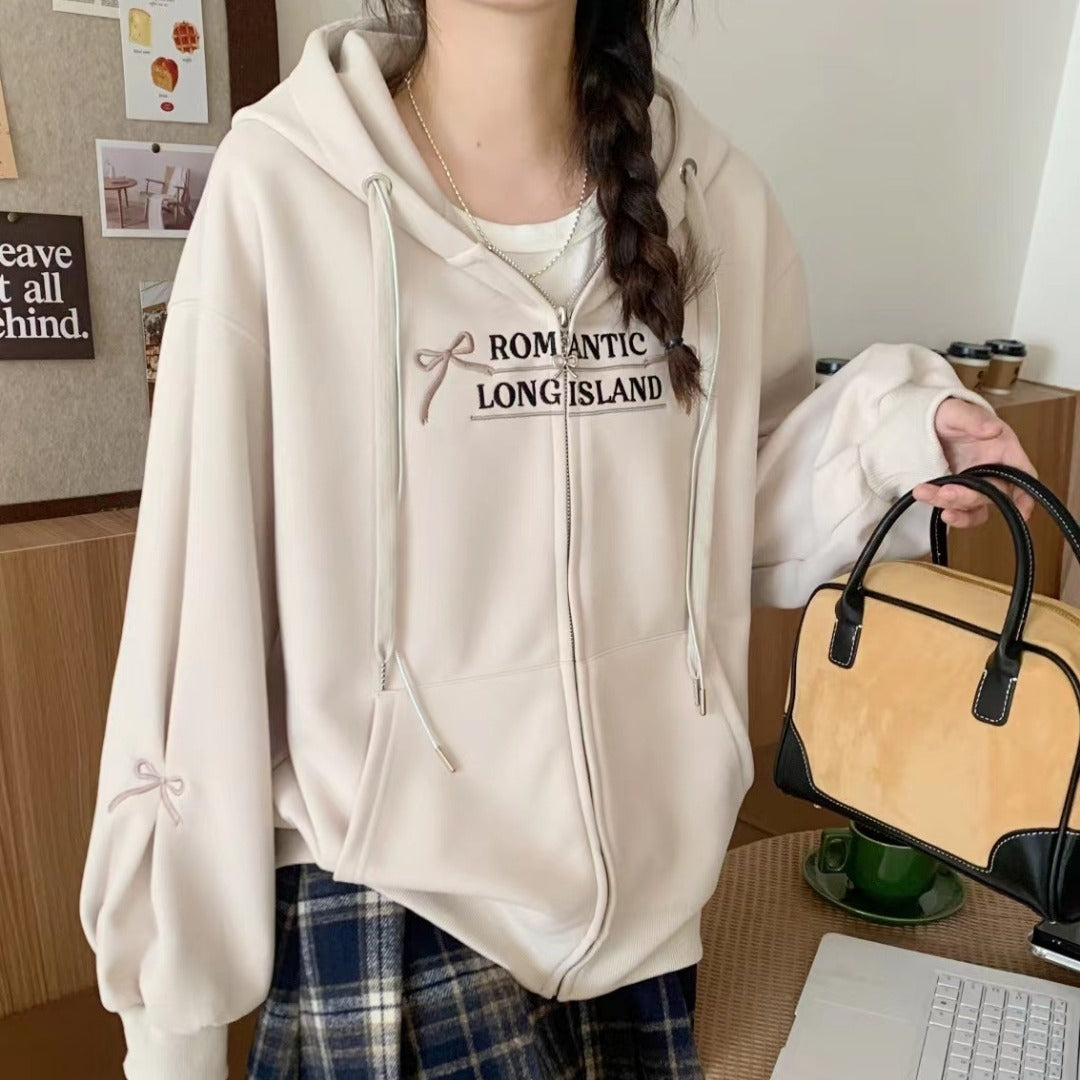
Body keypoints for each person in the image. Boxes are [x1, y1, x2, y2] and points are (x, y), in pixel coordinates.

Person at [79, 3, 1036, 1078]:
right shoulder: (284, 186)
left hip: (651, 913)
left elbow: (727, 510)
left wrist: (891, 440)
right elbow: (199, 607)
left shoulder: (712, 198)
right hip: (397, 900)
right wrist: (173, 1030)